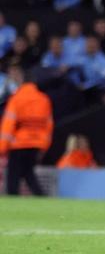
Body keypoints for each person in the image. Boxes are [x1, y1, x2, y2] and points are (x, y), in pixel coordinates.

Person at [0, 66, 53, 195]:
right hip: (37, 143)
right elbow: (49, 125)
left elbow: (8, 125)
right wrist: (44, 146)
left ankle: (13, 199)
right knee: (28, 172)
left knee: (13, 174)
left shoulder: (17, 99)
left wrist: (2, 148)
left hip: (19, 142)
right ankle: (41, 196)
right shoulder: (44, 99)